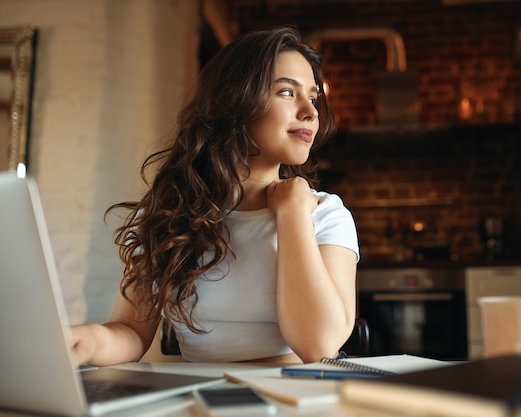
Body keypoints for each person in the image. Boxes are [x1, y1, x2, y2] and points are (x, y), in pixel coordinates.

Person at [70, 26, 359, 366]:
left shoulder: (324, 215)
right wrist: (83, 343)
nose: (310, 111)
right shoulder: (168, 213)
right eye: (286, 92)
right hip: (197, 400)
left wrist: (293, 213)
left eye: (312, 97)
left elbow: (319, 347)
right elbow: (131, 330)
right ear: (236, 100)